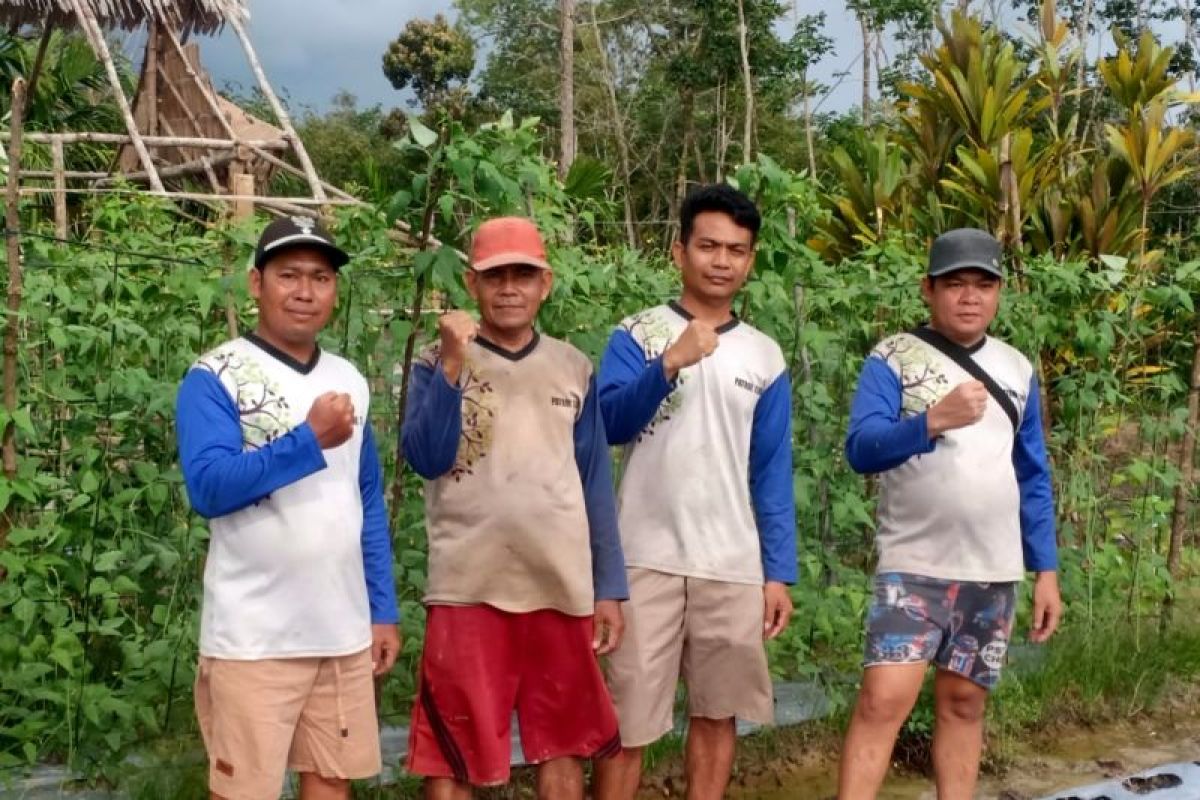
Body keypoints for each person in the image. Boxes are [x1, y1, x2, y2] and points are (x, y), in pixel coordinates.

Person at [401, 216, 628, 800]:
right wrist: (453, 363)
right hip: (467, 585)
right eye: (494, 275)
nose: (509, 288)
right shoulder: (434, 362)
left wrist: (609, 587)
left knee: (564, 740)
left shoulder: (573, 367)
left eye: (522, 275)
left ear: (544, 284)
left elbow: (593, 482)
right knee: (452, 749)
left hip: (558, 583)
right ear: (472, 285)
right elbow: (425, 457)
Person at [176, 216, 401, 800]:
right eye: (289, 275)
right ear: (257, 283)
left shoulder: (348, 377)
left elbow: (366, 496)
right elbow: (209, 487)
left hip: (340, 629)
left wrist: (381, 608)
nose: (305, 291)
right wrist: (307, 440)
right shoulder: (215, 376)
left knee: (331, 781)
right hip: (254, 638)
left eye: (321, 278)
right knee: (244, 791)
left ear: (334, 290)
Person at [837, 228, 1063, 800]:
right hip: (913, 567)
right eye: (955, 284)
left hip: (991, 571)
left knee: (964, 705)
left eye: (983, 284)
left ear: (999, 292)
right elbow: (862, 448)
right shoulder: (893, 357)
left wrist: (1047, 571)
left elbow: (1032, 475)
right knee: (882, 701)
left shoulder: (1017, 368)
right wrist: (931, 421)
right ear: (928, 289)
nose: (969, 297)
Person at [593, 184, 798, 800]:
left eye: (736, 249)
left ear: (751, 260)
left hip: (731, 564)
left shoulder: (764, 355)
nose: (721, 260)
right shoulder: (637, 334)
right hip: (643, 559)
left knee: (717, 712)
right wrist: (668, 364)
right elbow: (607, 425)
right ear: (678, 250)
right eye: (708, 245)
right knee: (627, 723)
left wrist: (776, 572)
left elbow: (770, 470)